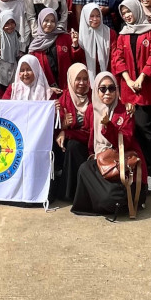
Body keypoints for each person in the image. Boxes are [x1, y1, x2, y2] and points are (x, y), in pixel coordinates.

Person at [71, 72, 147, 219]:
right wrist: (65, 132)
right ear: (96, 90)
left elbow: (125, 141)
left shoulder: (125, 110)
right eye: (103, 88)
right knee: (84, 168)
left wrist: (108, 126)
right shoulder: (92, 110)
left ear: (117, 90)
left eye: (111, 88)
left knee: (110, 197)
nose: (107, 92)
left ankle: (118, 203)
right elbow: (86, 133)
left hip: (120, 161)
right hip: (100, 158)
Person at [110, 0, 151, 189]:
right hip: (129, 89)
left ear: (137, 10)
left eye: (129, 11)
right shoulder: (122, 34)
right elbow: (118, 59)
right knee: (136, 130)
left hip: (146, 89)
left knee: (147, 129)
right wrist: (128, 80)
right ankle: (146, 169)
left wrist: (141, 78)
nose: (127, 15)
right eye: (123, 13)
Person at [54, 62, 92, 201]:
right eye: (78, 79)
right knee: (69, 146)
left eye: (85, 79)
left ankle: (72, 192)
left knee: (73, 146)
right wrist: (63, 126)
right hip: (71, 143)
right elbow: (55, 128)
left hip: (89, 141)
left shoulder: (94, 96)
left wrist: (67, 132)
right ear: (70, 80)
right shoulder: (64, 98)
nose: (82, 83)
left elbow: (91, 130)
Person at [27, 5, 82, 92]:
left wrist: (75, 45)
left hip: (67, 87)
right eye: (46, 20)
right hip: (46, 91)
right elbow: (33, 73)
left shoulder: (65, 38)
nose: (49, 24)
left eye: (52, 21)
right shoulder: (35, 46)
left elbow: (77, 60)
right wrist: (48, 89)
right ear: (40, 21)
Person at [77, 2, 117, 83]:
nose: (95, 19)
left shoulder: (109, 33)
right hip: (86, 80)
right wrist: (75, 46)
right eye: (91, 16)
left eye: (98, 16)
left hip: (107, 77)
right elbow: (78, 59)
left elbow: (114, 56)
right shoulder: (80, 36)